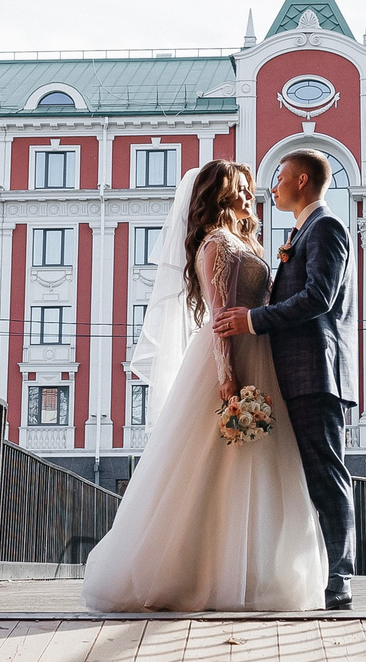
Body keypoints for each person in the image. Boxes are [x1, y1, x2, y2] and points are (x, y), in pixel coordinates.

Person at [78, 162, 327, 612]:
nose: (251, 196)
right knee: (211, 471)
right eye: (242, 190)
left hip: (261, 353)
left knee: (255, 470)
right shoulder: (216, 243)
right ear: (221, 194)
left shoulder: (245, 241)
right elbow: (217, 317)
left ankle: (248, 573)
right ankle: (196, 572)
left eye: (251, 189)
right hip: (233, 358)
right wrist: (227, 376)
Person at [214, 149, 358, 610]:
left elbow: (319, 296)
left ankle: (341, 577)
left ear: (299, 180)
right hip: (296, 373)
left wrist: (253, 320)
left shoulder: (327, 227)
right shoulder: (303, 230)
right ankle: (315, 572)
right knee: (307, 477)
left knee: (327, 475)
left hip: (317, 372)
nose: (270, 187)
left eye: (277, 177)